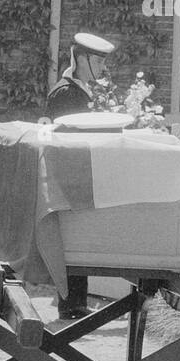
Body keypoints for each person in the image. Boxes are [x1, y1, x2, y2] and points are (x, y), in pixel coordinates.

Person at [46, 31, 117, 320]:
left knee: (79, 239)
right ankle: (70, 304)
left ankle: (75, 302)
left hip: (80, 174)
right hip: (68, 176)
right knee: (72, 240)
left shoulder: (80, 90)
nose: (102, 68)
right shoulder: (66, 93)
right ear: (81, 59)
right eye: (97, 61)